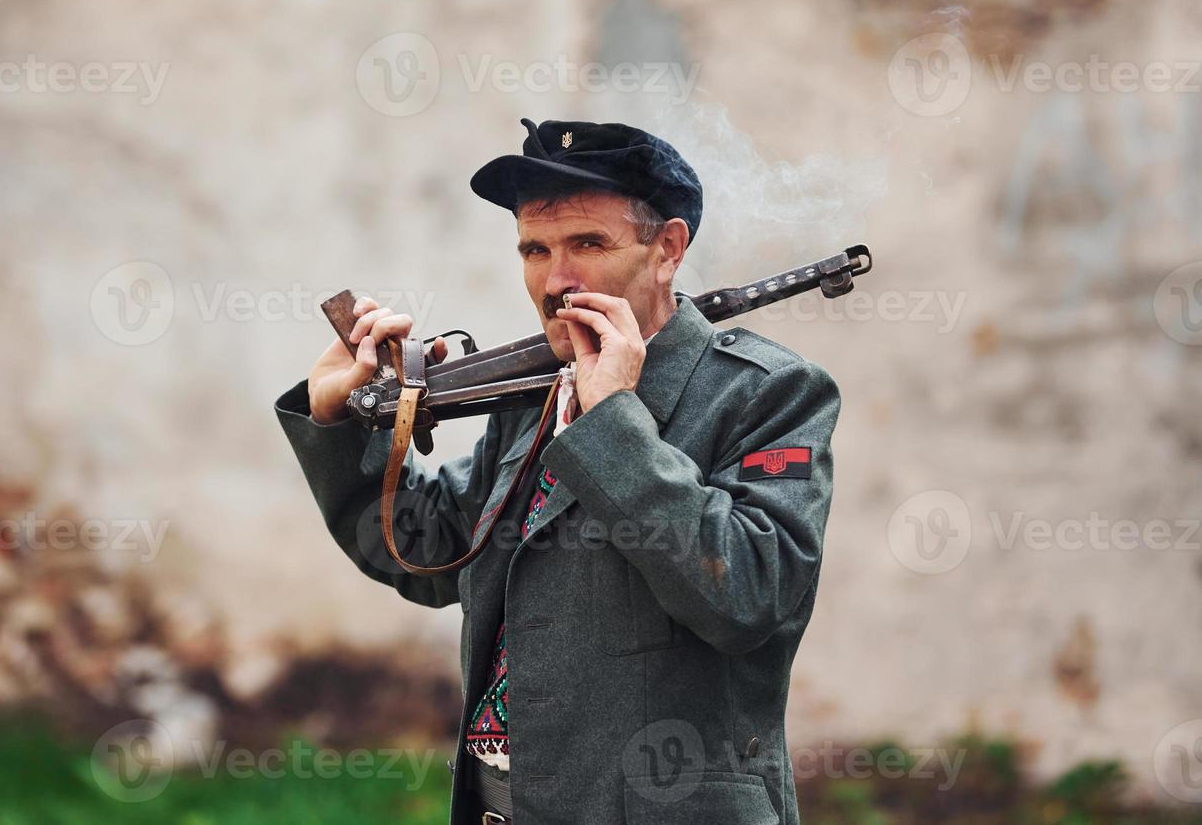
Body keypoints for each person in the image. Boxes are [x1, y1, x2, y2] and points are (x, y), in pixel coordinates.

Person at [274, 117, 842, 825]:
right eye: (534, 249)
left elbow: (749, 594)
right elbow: (426, 552)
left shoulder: (767, 392)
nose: (555, 279)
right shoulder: (540, 392)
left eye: (588, 245)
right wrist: (334, 423)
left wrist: (612, 426)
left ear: (667, 250)